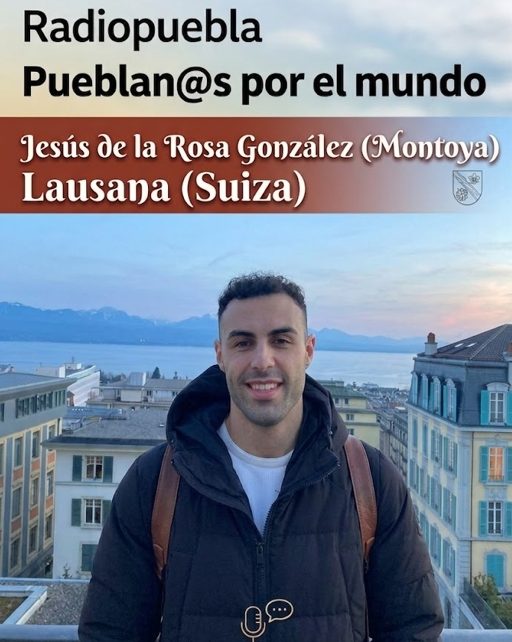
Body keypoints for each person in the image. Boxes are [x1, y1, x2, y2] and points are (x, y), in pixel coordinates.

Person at [79, 273, 444, 642]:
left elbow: (413, 628)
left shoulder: (370, 480)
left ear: (308, 351)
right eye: (243, 343)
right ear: (220, 355)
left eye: (281, 340)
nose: (262, 360)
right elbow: (109, 631)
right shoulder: (156, 481)